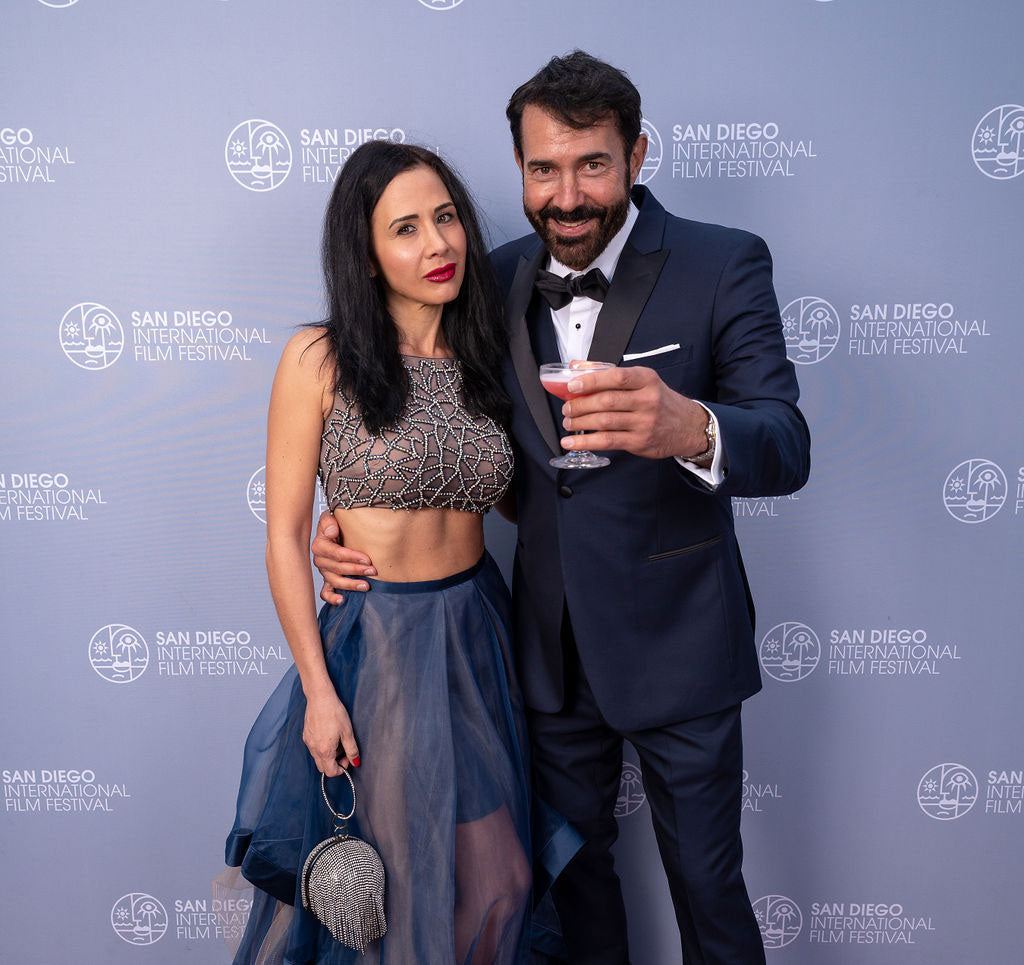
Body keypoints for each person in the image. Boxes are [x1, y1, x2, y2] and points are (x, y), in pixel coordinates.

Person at [313, 53, 811, 964]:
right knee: (571, 894)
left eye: (593, 165)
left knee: (708, 891)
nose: (568, 195)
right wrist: (354, 511)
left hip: (682, 645)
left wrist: (691, 425)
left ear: (637, 155)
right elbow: (435, 422)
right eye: (544, 168)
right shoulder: (488, 278)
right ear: (519, 166)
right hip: (541, 658)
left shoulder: (723, 261)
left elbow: (786, 443)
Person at [225, 140, 557, 965]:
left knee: (502, 880)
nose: (437, 243)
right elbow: (283, 537)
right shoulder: (319, 358)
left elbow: (519, 499)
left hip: (477, 635)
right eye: (405, 228)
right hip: (378, 646)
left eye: (446, 217)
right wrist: (318, 693)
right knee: (400, 898)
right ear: (367, 255)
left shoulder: (490, 354)